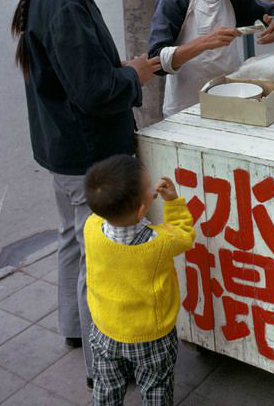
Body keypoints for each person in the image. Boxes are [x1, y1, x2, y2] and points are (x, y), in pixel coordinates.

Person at [11, 0, 161, 388]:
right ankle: (106, 363)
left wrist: (111, 70)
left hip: (61, 149)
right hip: (87, 153)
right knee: (95, 259)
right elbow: (96, 92)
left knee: (73, 243)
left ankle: (75, 329)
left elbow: (72, 74)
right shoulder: (62, 0)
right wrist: (134, 75)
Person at [84, 155, 194, 406]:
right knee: (156, 387)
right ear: (143, 209)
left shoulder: (91, 227)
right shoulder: (160, 242)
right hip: (152, 337)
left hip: (105, 331)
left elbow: (104, 214)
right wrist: (173, 203)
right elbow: (185, 235)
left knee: (106, 387)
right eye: (149, 187)